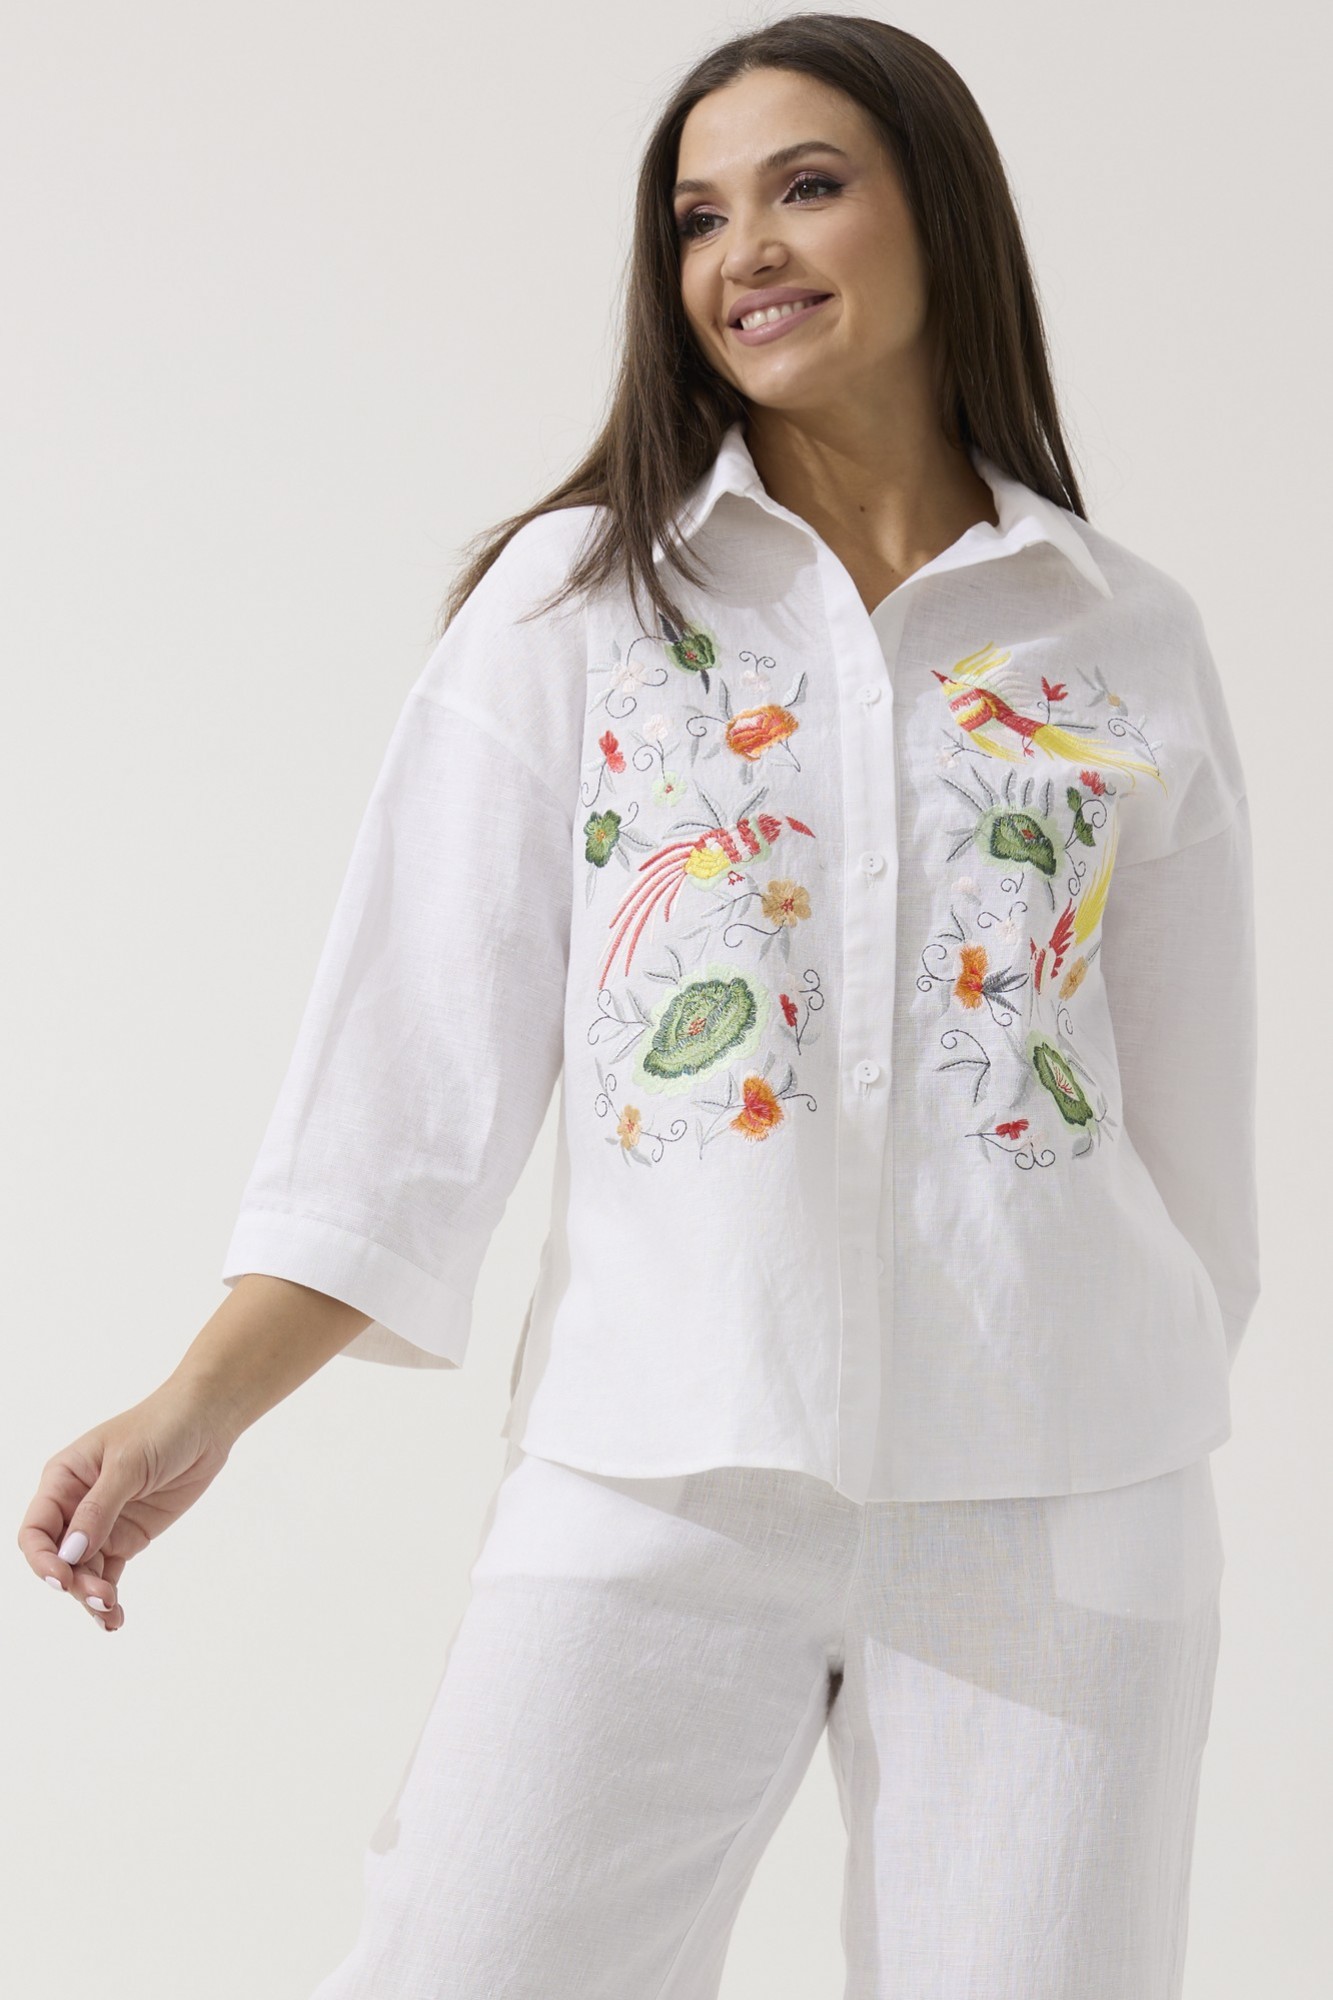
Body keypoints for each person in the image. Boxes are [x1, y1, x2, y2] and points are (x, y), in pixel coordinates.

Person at [18, 15, 1259, 1997]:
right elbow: (409, 1080)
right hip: (658, 1461)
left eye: (805, 187)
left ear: (938, 212)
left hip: (1062, 1498)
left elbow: (1193, 1139)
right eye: (695, 216)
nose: (741, 251)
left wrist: (1086, 1358)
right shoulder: (579, 606)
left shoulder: (1118, 632)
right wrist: (195, 1406)